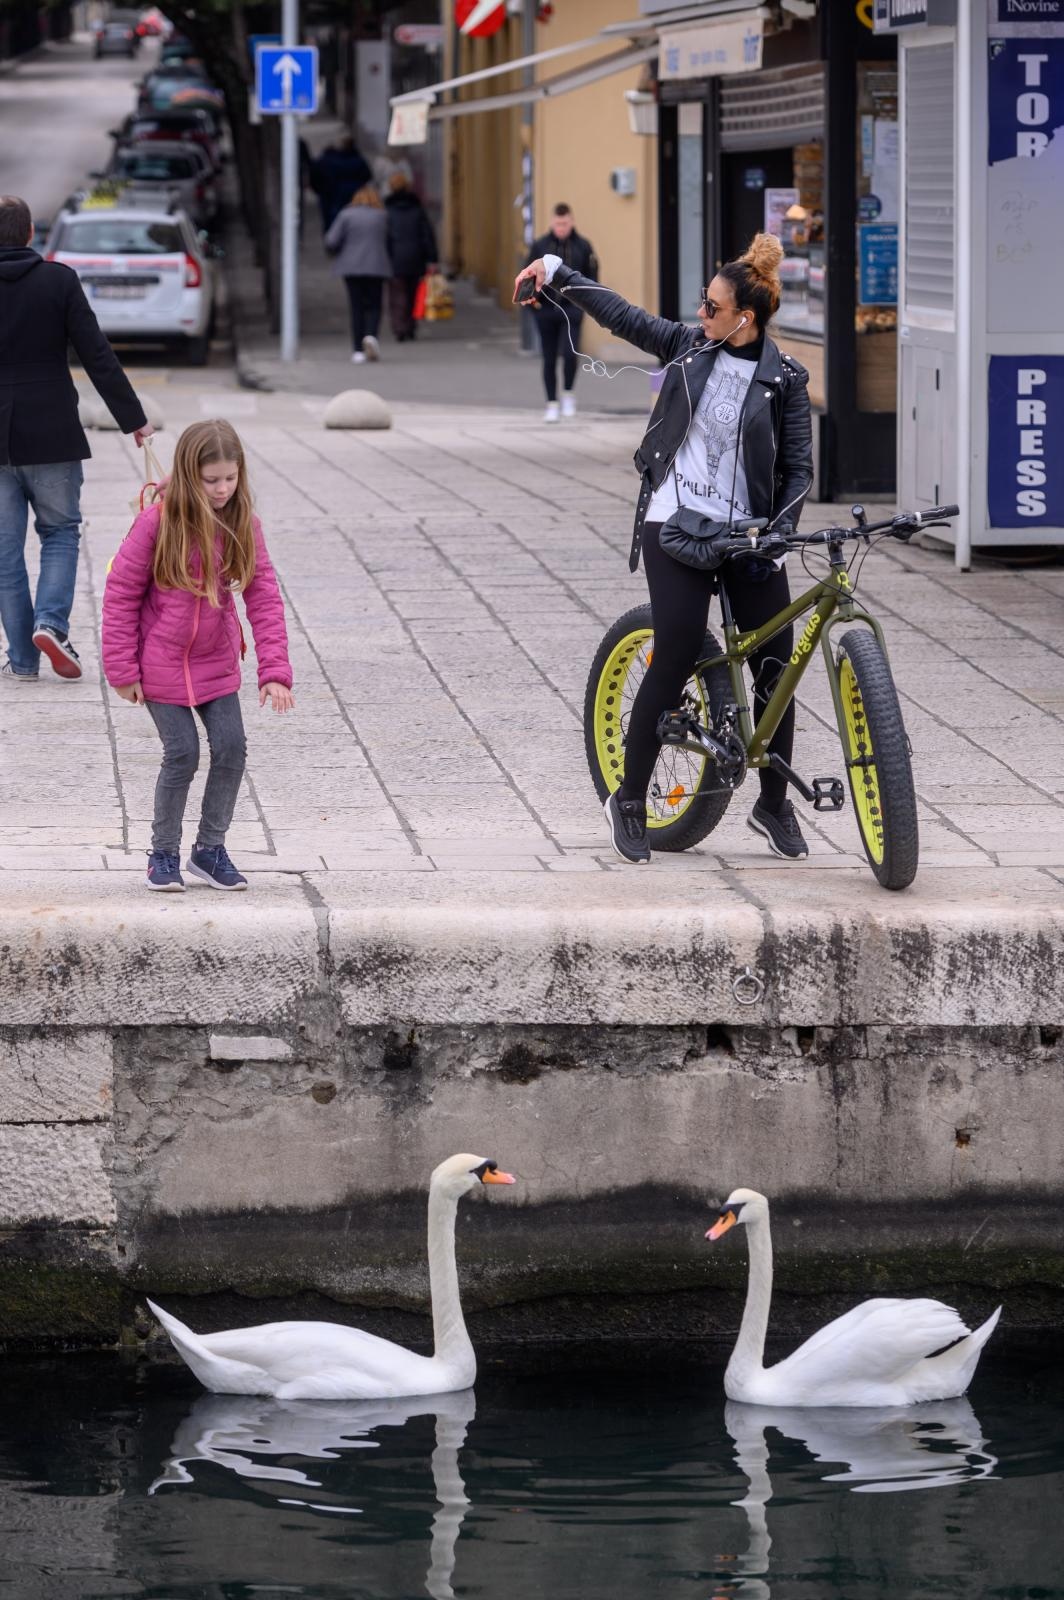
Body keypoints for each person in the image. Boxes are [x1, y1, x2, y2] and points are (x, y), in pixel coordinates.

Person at [515, 232, 814, 862]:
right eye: (702, 303)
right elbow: (625, 315)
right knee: (677, 648)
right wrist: (558, 269)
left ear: (746, 319)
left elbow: (798, 468)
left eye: (712, 307)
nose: (700, 314)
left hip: (749, 532)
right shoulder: (687, 348)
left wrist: (780, 534)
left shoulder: (785, 377)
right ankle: (628, 798)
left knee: (775, 665)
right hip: (676, 520)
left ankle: (771, 803)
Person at [102, 419, 294, 893]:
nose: (223, 488)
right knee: (182, 753)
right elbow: (121, 592)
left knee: (231, 748)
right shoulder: (157, 523)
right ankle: (162, 853)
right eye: (212, 480)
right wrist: (123, 669)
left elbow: (264, 595)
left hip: (215, 661)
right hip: (159, 663)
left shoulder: (242, 523)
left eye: (230, 477)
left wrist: (275, 672)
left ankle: (209, 850)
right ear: (189, 474)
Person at [0, 194, 153, 683]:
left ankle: (23, 660)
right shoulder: (58, 280)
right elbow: (97, 355)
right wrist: (134, 420)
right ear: (30, 235)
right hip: (52, 432)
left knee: (5, 552)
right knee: (60, 533)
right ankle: (52, 624)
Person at [525, 203, 598, 423]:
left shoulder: (583, 246)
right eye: (557, 224)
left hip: (572, 310)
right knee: (548, 358)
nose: (561, 228)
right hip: (546, 310)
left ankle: (567, 394)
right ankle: (551, 403)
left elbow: (592, 277)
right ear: (552, 223)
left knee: (569, 353)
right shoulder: (540, 246)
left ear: (572, 222)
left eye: (565, 223)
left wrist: (588, 305)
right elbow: (528, 274)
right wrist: (533, 305)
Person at [324, 184, 391, 363]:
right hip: (377, 266)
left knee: (356, 306)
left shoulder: (346, 215)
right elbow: (391, 240)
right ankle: (371, 337)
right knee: (375, 305)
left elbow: (331, 240)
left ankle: (357, 350)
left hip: (351, 267)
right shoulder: (382, 216)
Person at [384, 172, 437, 342]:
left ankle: (400, 327)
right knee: (413, 292)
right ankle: (411, 325)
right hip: (416, 257)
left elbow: (385, 237)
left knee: (397, 294)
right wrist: (432, 258)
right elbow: (427, 235)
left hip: (395, 258)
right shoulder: (417, 209)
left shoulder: (387, 211)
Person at [309, 135, 372, 234]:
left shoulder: (330, 161)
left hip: (335, 196)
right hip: (353, 194)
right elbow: (368, 175)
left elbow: (316, 178)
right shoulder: (358, 160)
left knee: (333, 220)